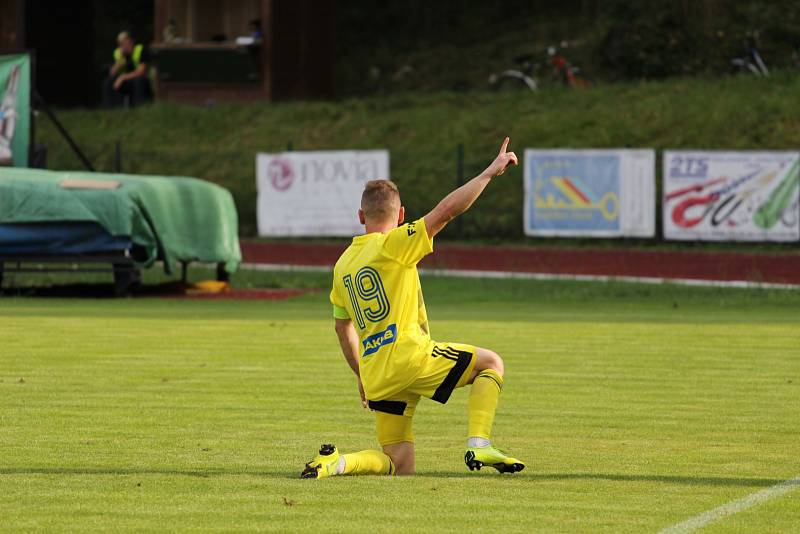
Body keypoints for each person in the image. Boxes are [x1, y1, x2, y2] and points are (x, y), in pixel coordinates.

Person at [301, 137, 524, 478]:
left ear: (360, 216)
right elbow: (446, 212)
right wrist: (489, 173)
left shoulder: (343, 264)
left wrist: (361, 373)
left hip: (377, 374)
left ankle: (337, 463)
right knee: (490, 363)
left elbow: (342, 328)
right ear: (401, 215)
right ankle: (480, 443)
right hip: (410, 358)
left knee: (399, 464)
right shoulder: (394, 244)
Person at [103, 31, 151, 108]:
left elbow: (141, 72)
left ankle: (140, 107)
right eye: (122, 44)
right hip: (125, 82)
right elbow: (112, 73)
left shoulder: (140, 50)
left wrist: (123, 77)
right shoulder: (118, 53)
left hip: (140, 81)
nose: (126, 45)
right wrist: (118, 63)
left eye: (127, 42)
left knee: (138, 81)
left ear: (132, 41)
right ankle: (112, 109)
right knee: (108, 82)